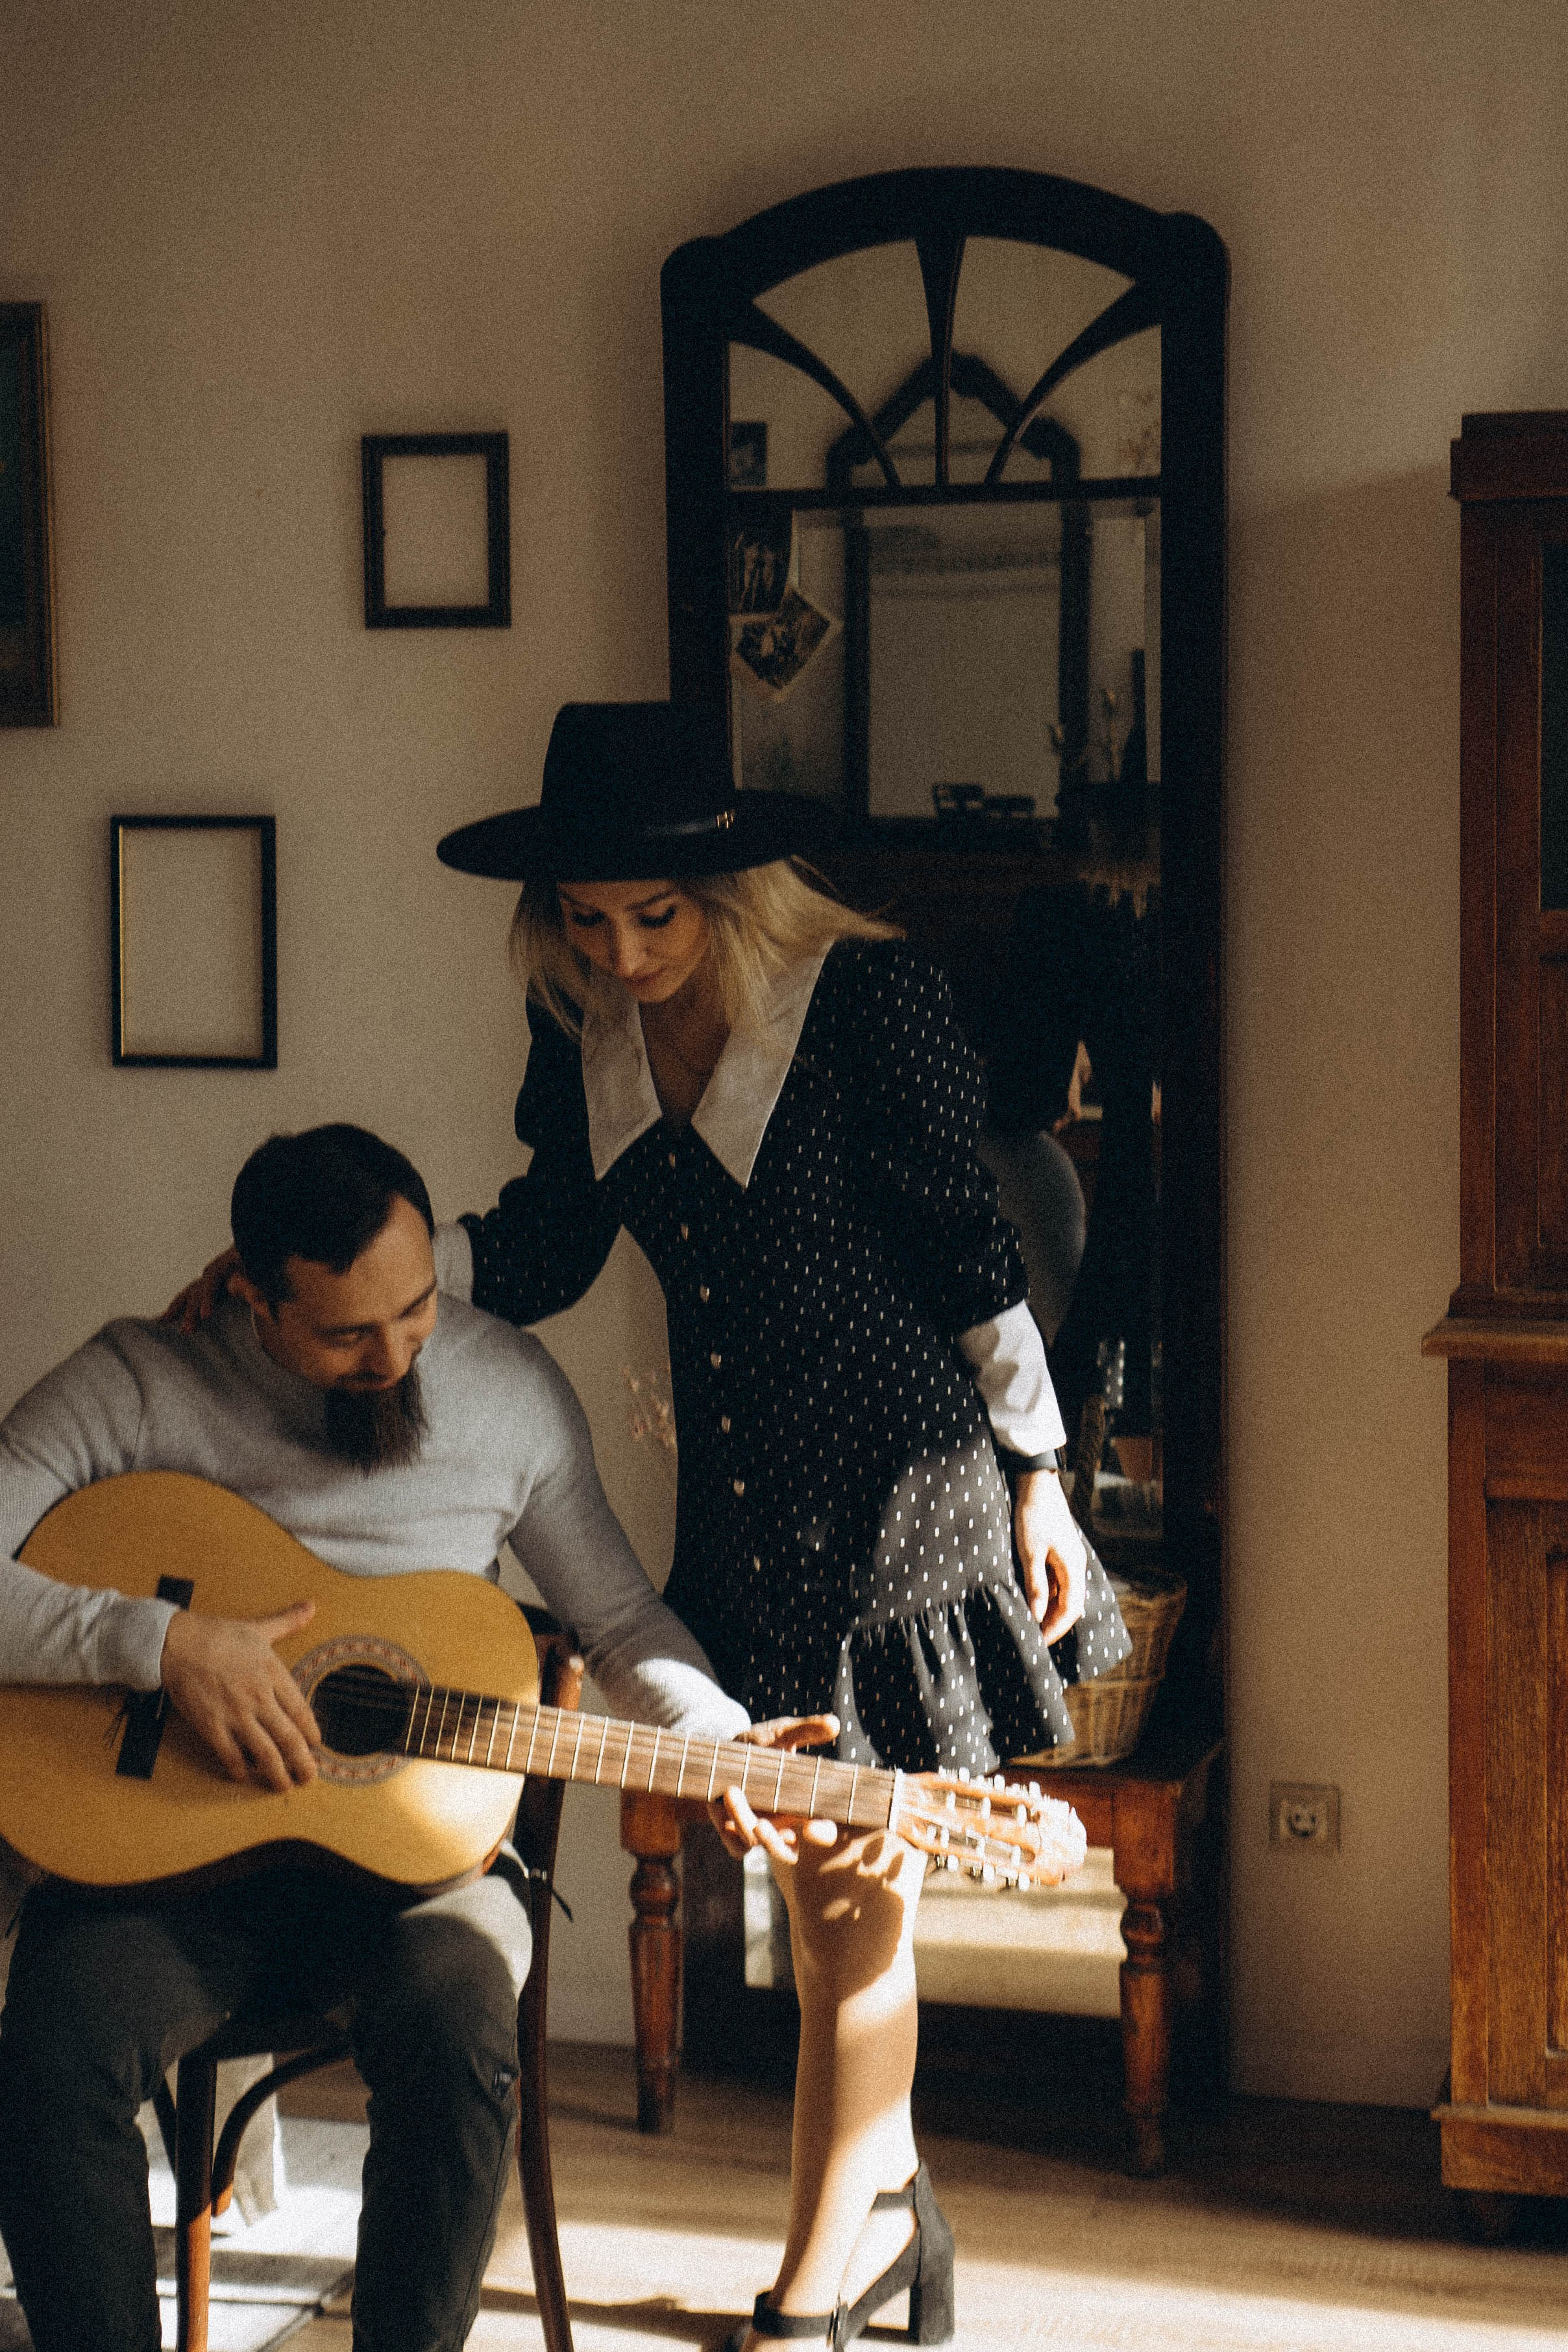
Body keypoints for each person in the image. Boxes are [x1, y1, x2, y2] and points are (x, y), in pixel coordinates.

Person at [431, 702, 1132, 2352]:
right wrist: (382, 1282)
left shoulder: (862, 1001)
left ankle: (815, 2293)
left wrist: (1040, 1473)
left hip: (902, 1494)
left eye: (652, 919)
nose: (621, 950)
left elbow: (975, 1255)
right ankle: (887, 2226)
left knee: (843, 1894)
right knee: (823, 1900)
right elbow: (540, 1247)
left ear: (733, 890)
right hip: (743, 1507)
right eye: (588, 920)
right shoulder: (583, 1025)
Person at [0, 1121, 753, 2352]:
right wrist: (166, 1648)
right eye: (349, 1333)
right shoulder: (139, 1379)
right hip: (170, 1867)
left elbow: (617, 1620)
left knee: (462, 2017)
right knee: (53, 2047)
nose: (398, 1354)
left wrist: (725, 1737)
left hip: (413, 1877)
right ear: (250, 1297)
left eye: (416, 1310)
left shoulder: (508, 1389)